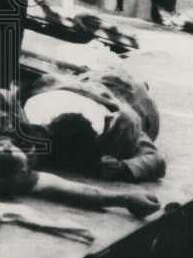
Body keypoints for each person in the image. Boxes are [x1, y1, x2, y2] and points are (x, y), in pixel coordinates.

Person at [0, 76, 161, 217]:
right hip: (119, 101)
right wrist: (123, 197)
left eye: (5, 147)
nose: (8, 147)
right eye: (15, 153)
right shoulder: (126, 121)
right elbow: (65, 188)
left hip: (72, 86)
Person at [22, 67, 166, 182]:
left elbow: (156, 161)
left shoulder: (125, 123)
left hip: (120, 96)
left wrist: (123, 168)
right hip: (85, 84)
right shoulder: (43, 96)